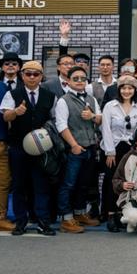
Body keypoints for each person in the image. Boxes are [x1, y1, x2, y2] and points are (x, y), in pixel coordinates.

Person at [0, 60, 54, 236]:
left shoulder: (49, 95)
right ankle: (20, 221)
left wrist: (47, 129)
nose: (31, 77)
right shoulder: (13, 94)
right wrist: (15, 112)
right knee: (19, 185)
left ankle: (42, 222)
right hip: (18, 146)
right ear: (22, 75)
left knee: (41, 185)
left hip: (41, 147)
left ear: (41, 77)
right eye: (28, 74)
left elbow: (55, 119)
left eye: (35, 74)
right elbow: (5, 116)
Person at [55, 66, 102, 233]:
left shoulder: (91, 99)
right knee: (68, 184)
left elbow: (100, 119)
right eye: (76, 78)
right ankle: (66, 219)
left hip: (90, 148)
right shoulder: (63, 100)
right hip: (74, 149)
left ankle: (80, 213)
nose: (80, 81)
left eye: (83, 78)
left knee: (84, 184)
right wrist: (74, 145)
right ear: (68, 81)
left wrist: (93, 117)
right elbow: (61, 125)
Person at [100, 75, 137, 232]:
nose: (127, 91)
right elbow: (105, 129)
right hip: (114, 147)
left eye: (130, 88)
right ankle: (110, 215)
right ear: (119, 89)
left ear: (135, 90)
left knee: (129, 181)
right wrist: (110, 151)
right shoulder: (110, 106)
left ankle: (122, 213)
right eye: (124, 88)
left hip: (131, 148)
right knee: (112, 181)